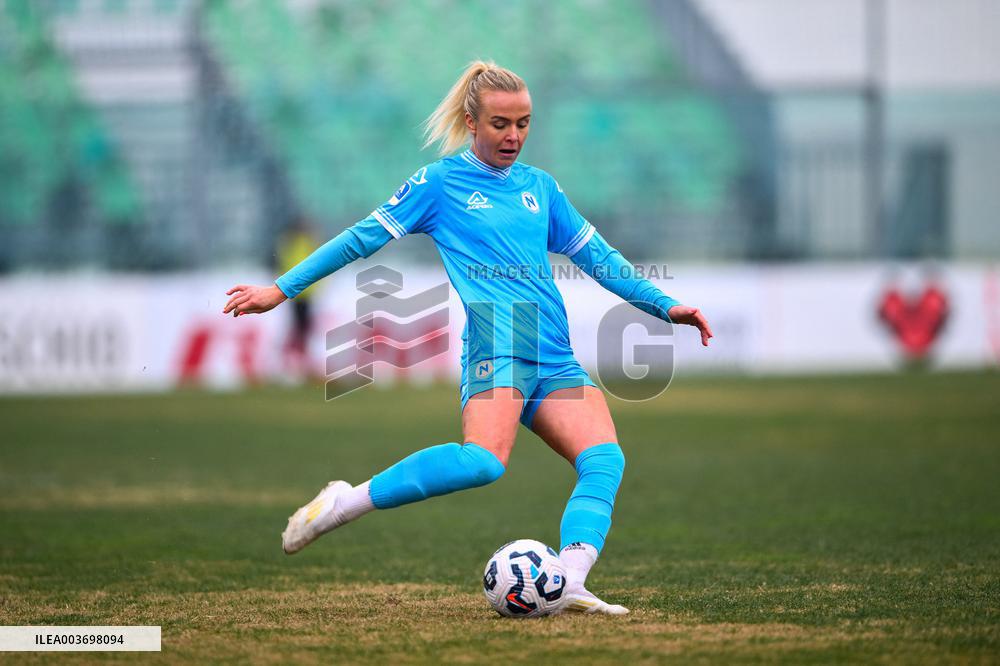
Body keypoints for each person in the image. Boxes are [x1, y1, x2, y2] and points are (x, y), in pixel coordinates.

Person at [223, 61, 713, 615]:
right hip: (499, 342)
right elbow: (361, 238)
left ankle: (569, 577)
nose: (514, 136)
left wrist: (664, 305)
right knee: (483, 462)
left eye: (524, 123)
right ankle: (345, 501)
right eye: (501, 124)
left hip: (552, 349)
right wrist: (281, 289)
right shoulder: (439, 184)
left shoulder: (540, 188)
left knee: (604, 460)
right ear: (471, 121)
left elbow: (597, 258)